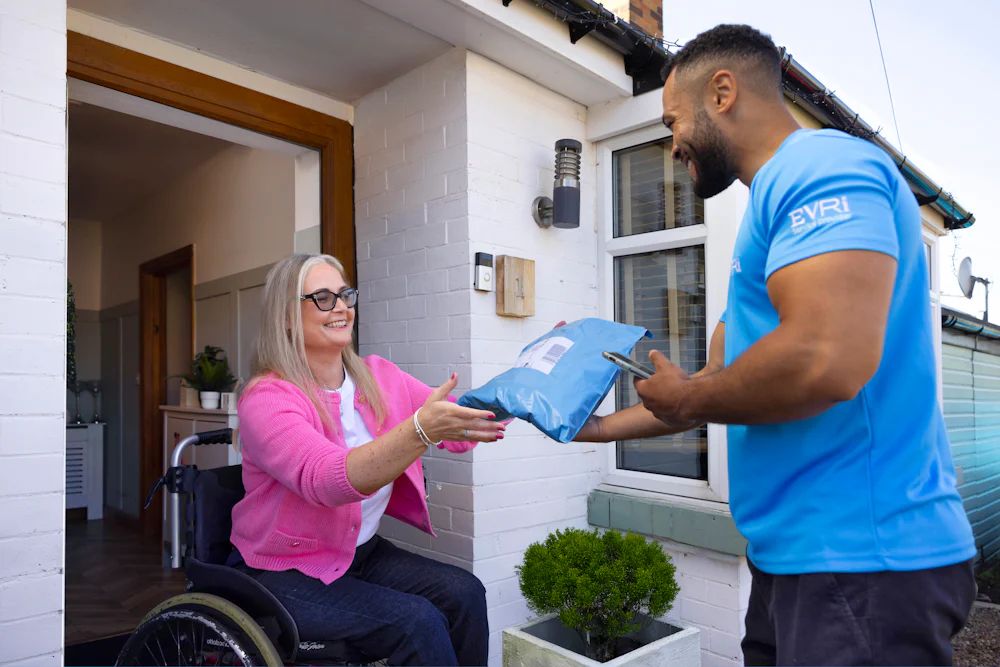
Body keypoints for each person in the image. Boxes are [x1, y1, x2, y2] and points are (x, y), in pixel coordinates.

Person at [574, 24, 977, 667]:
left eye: (674, 120)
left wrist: (689, 395)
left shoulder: (825, 166)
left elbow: (824, 358)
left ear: (724, 92)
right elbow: (714, 386)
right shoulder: (762, 226)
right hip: (793, 559)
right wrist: (592, 430)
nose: (673, 143)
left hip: (861, 557)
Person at [228, 253, 501, 666]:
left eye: (345, 295)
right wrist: (420, 431)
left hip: (360, 554)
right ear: (285, 316)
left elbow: (458, 422)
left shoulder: (377, 377)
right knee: (417, 623)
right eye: (322, 297)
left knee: (465, 593)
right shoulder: (267, 398)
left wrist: (529, 382)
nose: (341, 307)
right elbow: (325, 480)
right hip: (284, 570)